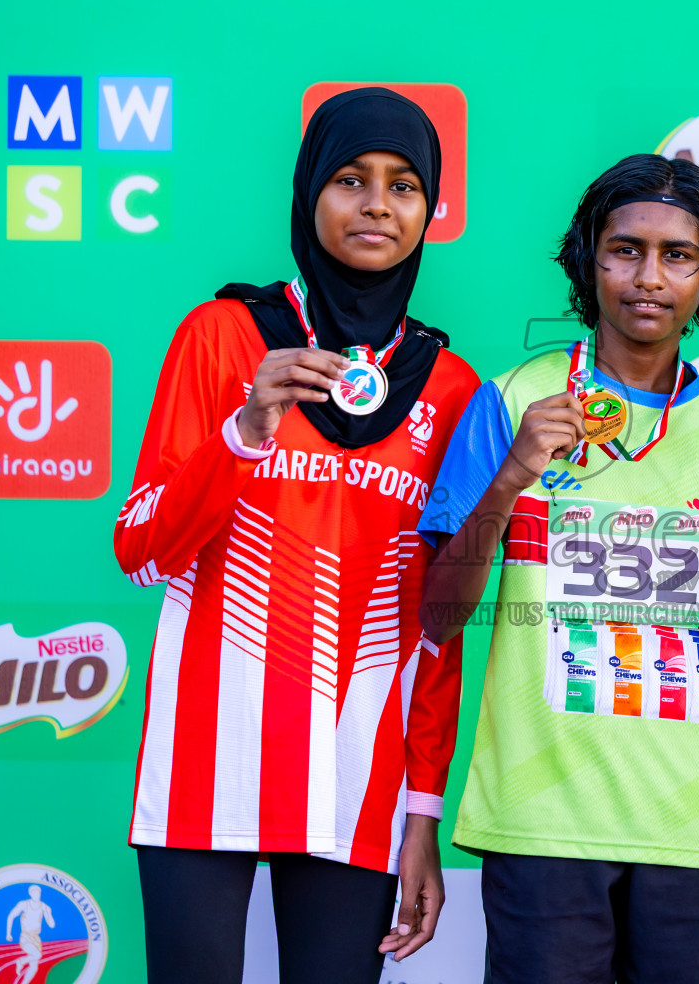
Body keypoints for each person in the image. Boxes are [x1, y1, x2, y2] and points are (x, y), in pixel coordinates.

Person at [113, 87, 480, 984]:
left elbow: (434, 627)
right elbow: (142, 551)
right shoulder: (224, 337)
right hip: (207, 771)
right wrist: (245, 430)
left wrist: (423, 811)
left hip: (356, 786)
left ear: (429, 210)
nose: (376, 206)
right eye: (351, 180)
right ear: (310, 191)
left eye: (403, 186)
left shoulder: (451, 385)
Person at [417, 153, 699, 984]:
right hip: (541, 824)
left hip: (695, 832)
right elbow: (438, 618)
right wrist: (514, 473)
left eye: (678, 255)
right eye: (625, 250)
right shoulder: (513, 400)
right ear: (589, 258)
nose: (648, 277)